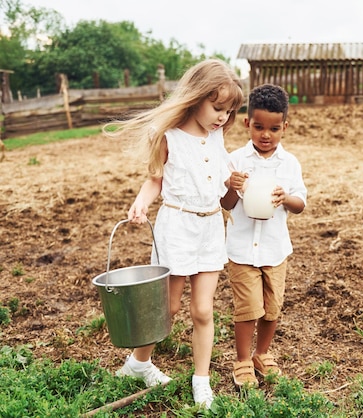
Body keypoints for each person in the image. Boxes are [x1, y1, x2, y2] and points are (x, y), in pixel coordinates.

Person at [104, 59, 245, 408]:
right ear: (196, 97)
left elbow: (223, 186)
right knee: (167, 307)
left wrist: (235, 184)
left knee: (203, 310)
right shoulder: (168, 136)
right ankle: (139, 362)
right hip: (178, 227)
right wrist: (141, 204)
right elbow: (155, 179)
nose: (222, 117)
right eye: (217, 108)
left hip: (211, 226)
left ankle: (202, 380)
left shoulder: (215, 136)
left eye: (228, 111)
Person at [221, 84, 307, 387]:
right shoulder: (235, 160)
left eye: (274, 128)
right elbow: (226, 204)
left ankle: (262, 353)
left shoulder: (290, 164)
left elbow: (300, 204)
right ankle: (243, 359)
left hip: (274, 249)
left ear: (285, 126)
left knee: (272, 307)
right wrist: (231, 184)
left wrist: (286, 198)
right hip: (242, 248)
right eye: (258, 127)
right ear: (247, 123)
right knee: (248, 307)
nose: (265, 135)